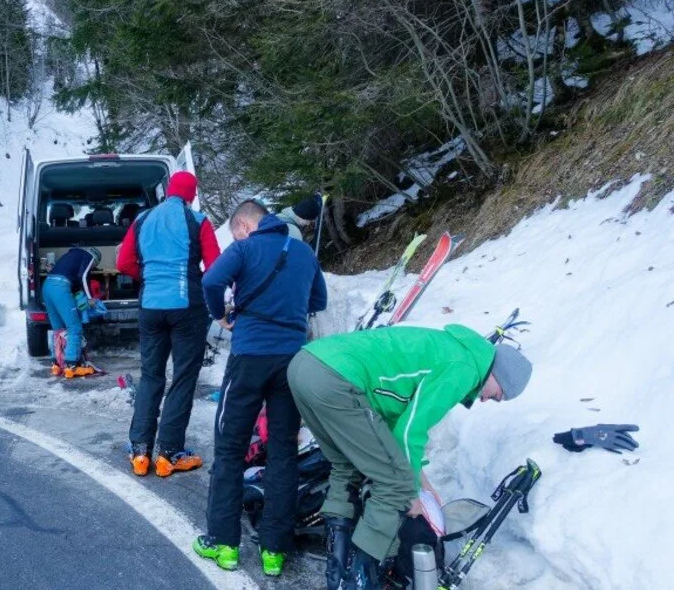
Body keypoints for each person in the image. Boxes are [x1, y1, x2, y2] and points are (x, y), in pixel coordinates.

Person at [287, 326, 533, 590]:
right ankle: (359, 581)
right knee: (395, 486)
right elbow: (409, 431)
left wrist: (421, 478)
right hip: (337, 379)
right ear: (498, 375)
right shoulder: (465, 369)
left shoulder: (451, 350)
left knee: (347, 467)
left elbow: (392, 423)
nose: (486, 400)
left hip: (306, 364)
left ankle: (337, 571)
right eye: (496, 395)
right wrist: (411, 491)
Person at [192, 200, 327, 576]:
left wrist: (221, 313)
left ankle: (223, 544)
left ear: (243, 225)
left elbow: (211, 281)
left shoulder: (244, 247)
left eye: (235, 231)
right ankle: (274, 550)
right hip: (292, 362)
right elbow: (319, 301)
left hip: (250, 357)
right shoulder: (302, 252)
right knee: (283, 451)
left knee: (231, 448)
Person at [117, 171, 221, 477]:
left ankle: (139, 450)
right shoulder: (197, 221)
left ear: (168, 191)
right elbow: (215, 266)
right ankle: (169, 453)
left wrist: (148, 278)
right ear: (191, 194)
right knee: (184, 377)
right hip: (186, 306)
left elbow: (124, 263)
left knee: (151, 376)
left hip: (150, 307)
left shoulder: (142, 220)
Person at [41, 246, 102, 378]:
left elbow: (74, 281)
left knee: (58, 329)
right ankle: (72, 366)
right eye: (93, 266)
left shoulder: (72, 255)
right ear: (94, 260)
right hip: (60, 287)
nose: (91, 268)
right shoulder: (88, 257)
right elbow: (83, 276)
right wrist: (90, 298)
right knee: (74, 328)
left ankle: (57, 364)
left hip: (47, 286)